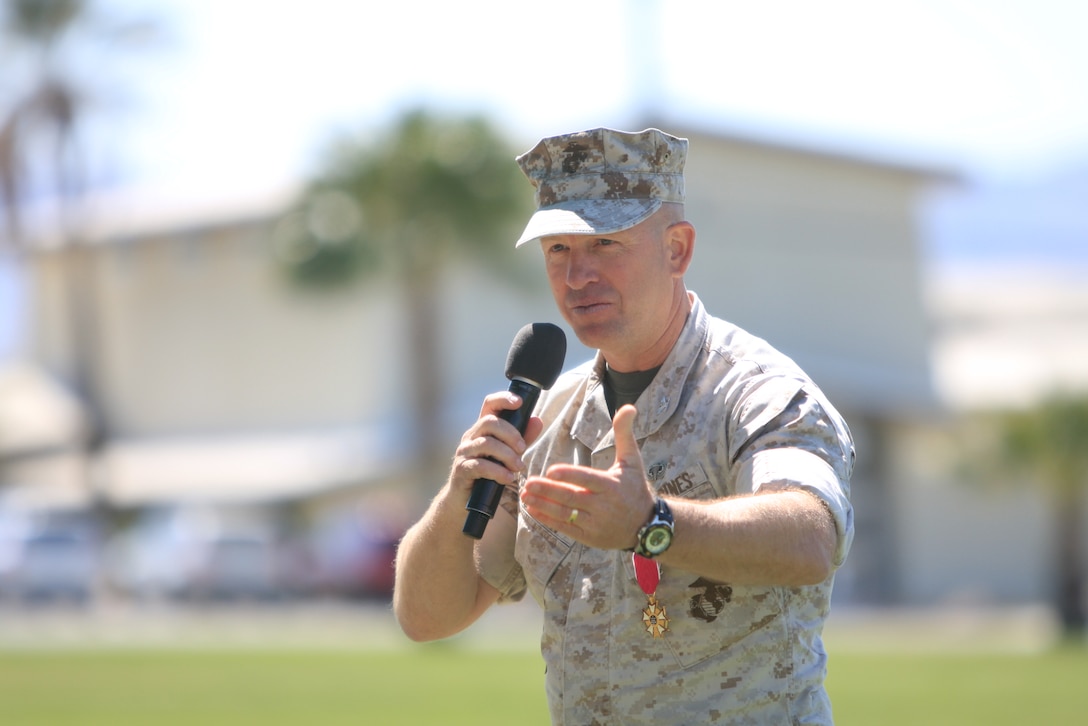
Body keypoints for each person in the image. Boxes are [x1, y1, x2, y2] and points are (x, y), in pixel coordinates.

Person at [393, 127, 855, 724]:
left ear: (677, 251)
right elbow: (428, 617)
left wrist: (653, 523)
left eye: (605, 243)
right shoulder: (547, 418)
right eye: (558, 249)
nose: (577, 275)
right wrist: (460, 494)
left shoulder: (757, 391)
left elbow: (810, 536)